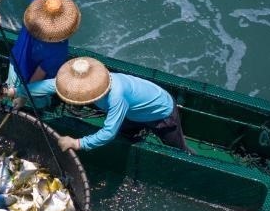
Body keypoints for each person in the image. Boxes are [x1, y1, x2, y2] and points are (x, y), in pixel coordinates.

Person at [20, 57, 192, 153]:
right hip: (132, 112)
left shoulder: (117, 96)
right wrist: (17, 91)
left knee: (178, 148)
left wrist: (77, 143)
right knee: (126, 133)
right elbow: (50, 85)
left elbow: (108, 133)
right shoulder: (91, 83)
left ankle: (188, 155)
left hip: (161, 113)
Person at [0, 0, 80, 98]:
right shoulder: (58, 50)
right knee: (38, 101)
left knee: (10, 88)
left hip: (15, 63)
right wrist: (22, 98)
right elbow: (37, 79)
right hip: (29, 80)